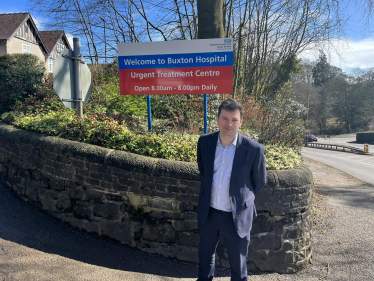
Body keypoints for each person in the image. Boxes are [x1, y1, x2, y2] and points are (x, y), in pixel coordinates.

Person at [196, 98, 267, 281]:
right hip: (209, 213)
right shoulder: (205, 142)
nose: (229, 124)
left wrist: (240, 199)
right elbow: (203, 170)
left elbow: (259, 181)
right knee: (205, 260)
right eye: (225, 118)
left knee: (238, 266)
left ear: (241, 122)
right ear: (218, 119)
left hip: (236, 215)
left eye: (234, 119)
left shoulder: (253, 149)